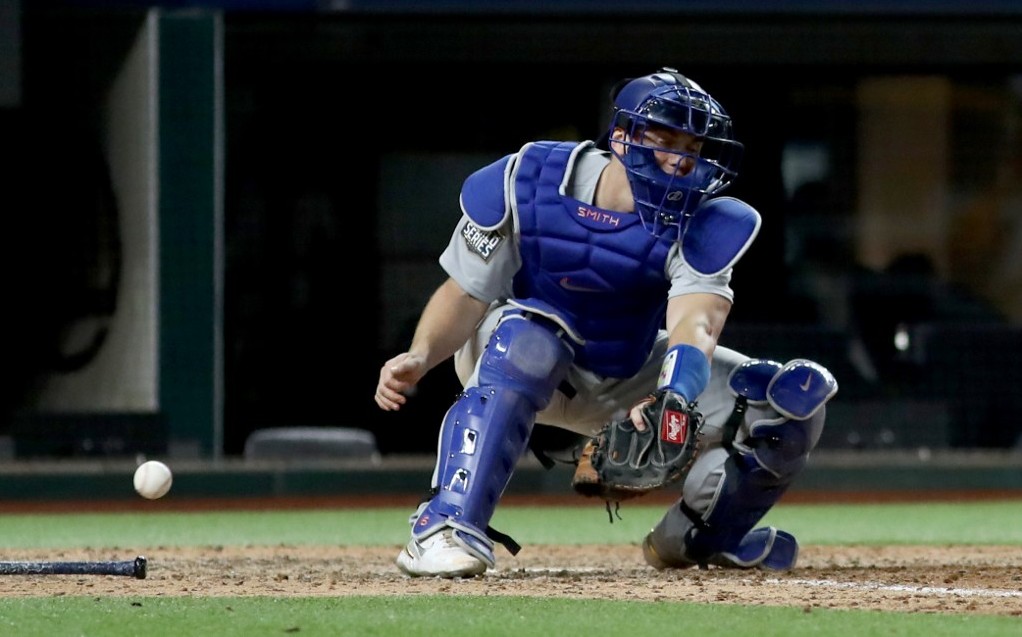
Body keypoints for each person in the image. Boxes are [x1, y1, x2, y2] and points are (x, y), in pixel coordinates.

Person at [375, 67, 838, 578]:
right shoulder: (526, 178)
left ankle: (698, 536)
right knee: (532, 340)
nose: (681, 159)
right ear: (621, 136)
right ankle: (444, 525)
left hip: (622, 367)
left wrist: (675, 395)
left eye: (692, 145)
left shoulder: (705, 216)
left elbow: (696, 323)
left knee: (790, 400)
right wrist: (422, 355)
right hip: (514, 354)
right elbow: (466, 291)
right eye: (665, 139)